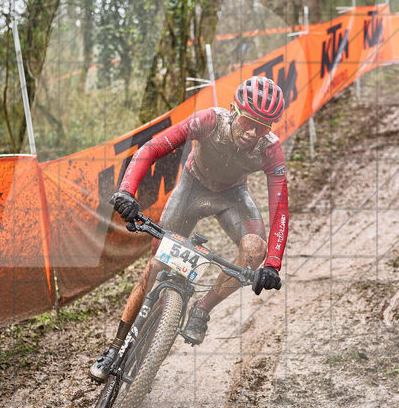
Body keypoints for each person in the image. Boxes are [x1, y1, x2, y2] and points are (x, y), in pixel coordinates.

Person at [89, 76, 290, 381]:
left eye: (262, 127)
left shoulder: (271, 150)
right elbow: (151, 148)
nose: (252, 132)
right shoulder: (209, 120)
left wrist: (273, 264)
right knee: (157, 265)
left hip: (233, 197)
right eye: (248, 121)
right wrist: (127, 191)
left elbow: (281, 209)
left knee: (254, 250)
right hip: (191, 187)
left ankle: (202, 309)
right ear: (234, 111)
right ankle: (114, 348)